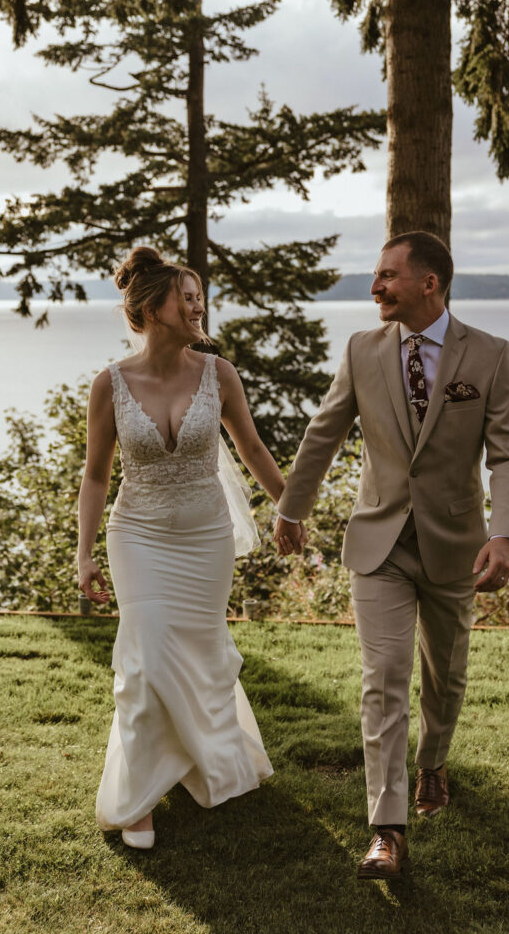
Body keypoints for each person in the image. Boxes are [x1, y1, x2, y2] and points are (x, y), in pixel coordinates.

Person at [274, 231, 509, 878]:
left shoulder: (490, 355)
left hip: (455, 550)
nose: (374, 287)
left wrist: (503, 534)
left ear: (429, 283)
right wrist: (290, 507)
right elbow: (324, 430)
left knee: (444, 679)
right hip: (378, 544)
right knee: (383, 680)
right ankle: (386, 830)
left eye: (387, 275)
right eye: (375, 275)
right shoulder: (362, 350)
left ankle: (433, 759)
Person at [77, 246, 303, 849]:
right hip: (138, 534)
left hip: (206, 537)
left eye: (200, 295)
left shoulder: (218, 374)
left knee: (202, 655)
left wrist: (291, 507)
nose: (198, 304)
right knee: (144, 659)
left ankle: (205, 762)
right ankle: (139, 800)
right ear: (152, 308)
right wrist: (84, 552)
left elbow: (252, 450)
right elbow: (96, 475)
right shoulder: (110, 385)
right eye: (187, 295)